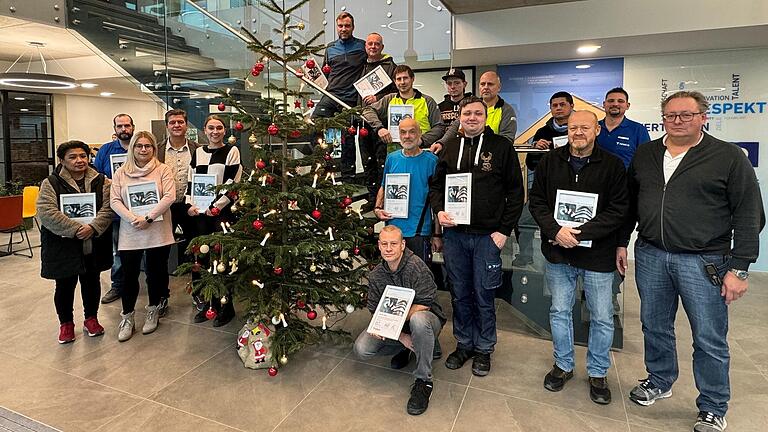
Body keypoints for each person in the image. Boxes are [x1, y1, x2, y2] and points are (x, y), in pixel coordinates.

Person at [619, 91, 764, 432]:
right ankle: (659, 379)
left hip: (705, 261)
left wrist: (739, 267)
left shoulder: (727, 156)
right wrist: (623, 243)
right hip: (652, 254)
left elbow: (749, 214)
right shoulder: (647, 153)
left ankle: (713, 405)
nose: (678, 121)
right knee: (654, 325)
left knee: (709, 336)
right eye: (671, 116)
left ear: (703, 117)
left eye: (686, 115)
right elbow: (631, 203)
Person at [528, 111, 628, 405]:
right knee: (559, 311)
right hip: (558, 252)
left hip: (598, 255)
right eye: (573, 127)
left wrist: (580, 232)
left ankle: (598, 372)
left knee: (601, 316)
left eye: (585, 127)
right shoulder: (550, 161)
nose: (578, 132)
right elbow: (536, 201)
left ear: (596, 130)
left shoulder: (612, 165)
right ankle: (563, 365)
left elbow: (618, 209)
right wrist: (556, 230)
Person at [429, 96, 524, 376]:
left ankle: (484, 348)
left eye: (477, 113)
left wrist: (503, 231)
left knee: (484, 294)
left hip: (487, 237)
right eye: (467, 113)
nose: (472, 117)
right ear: (460, 117)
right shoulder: (450, 148)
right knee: (460, 293)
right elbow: (435, 186)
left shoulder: (501, 147)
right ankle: (464, 343)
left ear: (485, 117)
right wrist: (440, 211)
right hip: (455, 236)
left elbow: (516, 194)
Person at [353, 225, 446, 415]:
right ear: (379, 246)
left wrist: (395, 321)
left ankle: (423, 381)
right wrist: (401, 336)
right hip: (399, 326)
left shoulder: (416, 266)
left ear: (402, 245)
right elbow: (374, 310)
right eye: (384, 244)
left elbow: (426, 303)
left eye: (393, 244)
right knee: (362, 348)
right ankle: (410, 346)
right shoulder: (376, 275)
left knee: (419, 321)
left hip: (428, 319)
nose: (388, 248)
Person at [37, 141, 114, 344]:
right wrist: (76, 229)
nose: (79, 160)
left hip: (93, 242)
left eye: (83, 156)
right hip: (63, 245)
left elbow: (108, 208)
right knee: (64, 285)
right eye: (73, 157)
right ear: (62, 160)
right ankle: (66, 324)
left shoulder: (102, 181)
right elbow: (46, 212)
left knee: (92, 282)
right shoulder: (50, 183)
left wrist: (93, 228)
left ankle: (91, 318)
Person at [110, 131, 176, 342]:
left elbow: (169, 196)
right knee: (129, 276)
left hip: (157, 230)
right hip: (131, 231)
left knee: (155, 273)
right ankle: (127, 316)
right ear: (133, 149)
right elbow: (115, 201)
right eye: (139, 146)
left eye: (148, 146)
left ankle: (153, 310)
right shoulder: (121, 172)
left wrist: (148, 217)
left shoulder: (163, 169)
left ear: (154, 149)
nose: (144, 149)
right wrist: (132, 218)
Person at [187, 115, 243, 327]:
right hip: (200, 215)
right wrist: (189, 205)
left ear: (224, 130)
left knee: (222, 261)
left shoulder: (231, 151)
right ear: (205, 129)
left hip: (222, 215)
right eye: (211, 127)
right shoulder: (198, 152)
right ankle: (209, 305)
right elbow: (192, 181)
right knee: (202, 260)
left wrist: (216, 207)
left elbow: (232, 183)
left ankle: (226, 307)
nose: (215, 131)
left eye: (219, 128)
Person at [514, 92, 574, 266]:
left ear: (571, 106)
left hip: (571, 191)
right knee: (522, 222)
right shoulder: (542, 132)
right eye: (554, 105)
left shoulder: (578, 129)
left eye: (562, 104)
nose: (558, 108)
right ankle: (525, 256)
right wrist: (537, 150)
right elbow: (531, 164)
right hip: (543, 190)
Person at [374, 118, 440, 263]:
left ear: (420, 133)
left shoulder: (432, 161)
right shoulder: (392, 158)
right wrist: (378, 208)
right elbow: (384, 186)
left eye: (412, 132)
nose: (407, 136)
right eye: (403, 132)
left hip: (419, 231)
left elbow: (436, 200)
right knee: (393, 279)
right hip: (392, 231)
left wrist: (437, 234)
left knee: (419, 278)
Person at [312, 12, 366, 181]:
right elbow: (324, 74)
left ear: (353, 27)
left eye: (347, 26)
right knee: (315, 127)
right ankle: (324, 170)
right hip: (331, 96)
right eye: (340, 26)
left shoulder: (362, 46)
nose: (343, 29)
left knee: (347, 140)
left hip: (349, 100)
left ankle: (348, 179)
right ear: (337, 27)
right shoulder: (330, 48)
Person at [157, 108, 200, 316]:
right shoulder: (156, 150)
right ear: (167, 125)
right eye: (172, 122)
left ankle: (199, 292)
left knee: (197, 250)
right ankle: (161, 296)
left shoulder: (197, 149)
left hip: (190, 207)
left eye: (180, 122)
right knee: (161, 253)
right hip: (164, 208)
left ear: (186, 125)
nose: (176, 125)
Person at [94, 113, 134, 305]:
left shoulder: (141, 147)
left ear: (133, 127)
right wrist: (108, 182)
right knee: (118, 250)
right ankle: (117, 285)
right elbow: (96, 177)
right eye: (120, 126)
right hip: (116, 212)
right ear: (115, 129)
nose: (124, 129)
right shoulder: (106, 150)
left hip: (141, 209)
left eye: (127, 125)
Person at [361, 64, 445, 149]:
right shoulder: (389, 99)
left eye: (405, 78)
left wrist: (422, 140)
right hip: (394, 152)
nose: (402, 82)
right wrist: (379, 128)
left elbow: (439, 127)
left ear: (412, 79)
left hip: (421, 151)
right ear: (395, 81)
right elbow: (367, 110)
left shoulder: (427, 101)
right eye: (399, 79)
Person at [432, 71, 518, 153]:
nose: (486, 87)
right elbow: (455, 127)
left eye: (490, 84)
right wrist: (441, 142)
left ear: (499, 87)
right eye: (482, 84)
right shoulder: (470, 104)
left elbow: (507, 139)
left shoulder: (507, 110)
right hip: (468, 153)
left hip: (493, 156)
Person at [358, 32, 398, 204]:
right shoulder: (360, 66)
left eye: (377, 44)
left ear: (382, 47)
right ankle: (372, 197)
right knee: (367, 161)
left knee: (382, 161)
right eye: (370, 44)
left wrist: (378, 98)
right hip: (362, 122)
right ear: (365, 47)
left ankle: (383, 199)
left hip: (382, 123)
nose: (373, 47)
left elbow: (398, 92)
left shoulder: (391, 67)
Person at [596, 87, 651, 168]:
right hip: (596, 179)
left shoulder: (638, 130)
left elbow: (646, 160)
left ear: (627, 106)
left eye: (620, 101)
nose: (615, 104)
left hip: (626, 180)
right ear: (604, 104)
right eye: (611, 101)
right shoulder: (593, 127)